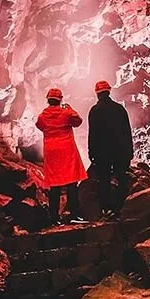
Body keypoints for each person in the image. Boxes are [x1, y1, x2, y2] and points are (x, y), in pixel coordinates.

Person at [36, 87, 88, 225]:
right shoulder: (66, 114)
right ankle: (74, 215)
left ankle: (54, 218)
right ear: (60, 100)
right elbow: (78, 121)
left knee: (55, 185)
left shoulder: (42, 116)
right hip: (67, 151)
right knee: (72, 183)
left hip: (52, 152)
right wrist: (69, 109)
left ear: (48, 100)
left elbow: (39, 126)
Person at [88, 81, 133, 218]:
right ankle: (121, 208)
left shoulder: (95, 111)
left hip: (102, 152)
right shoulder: (119, 109)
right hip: (119, 150)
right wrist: (129, 151)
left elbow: (93, 134)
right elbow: (127, 131)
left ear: (97, 93)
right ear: (109, 91)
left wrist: (91, 152)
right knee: (122, 178)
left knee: (104, 180)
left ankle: (106, 209)